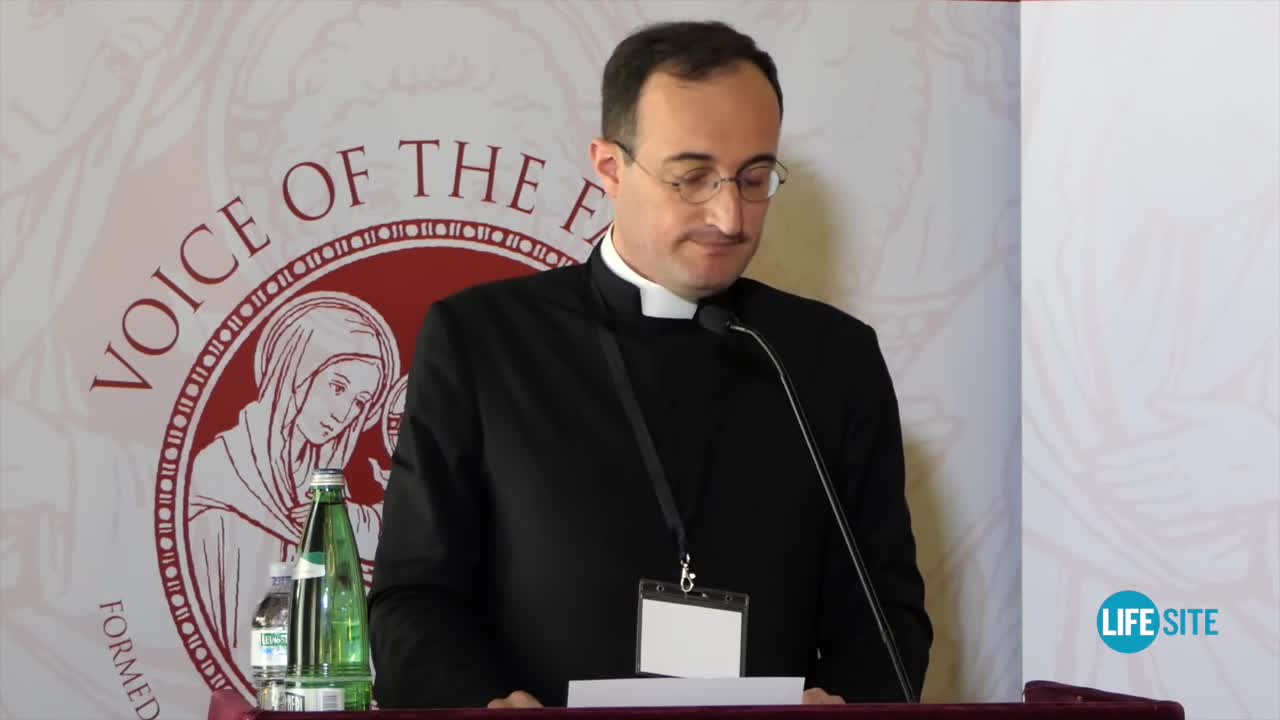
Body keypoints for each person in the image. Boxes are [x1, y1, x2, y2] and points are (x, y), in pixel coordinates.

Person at [369, 20, 932, 709]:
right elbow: (412, 600)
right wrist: (484, 705)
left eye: (754, 178)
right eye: (692, 178)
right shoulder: (482, 340)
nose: (730, 216)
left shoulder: (831, 357)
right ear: (610, 168)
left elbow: (885, 616)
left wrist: (845, 703)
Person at [188, 291, 398, 657]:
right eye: (337, 387)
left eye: (360, 402)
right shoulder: (221, 474)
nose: (344, 413)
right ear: (296, 372)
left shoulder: (330, 494)